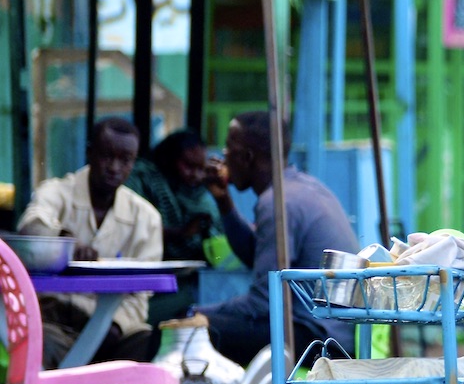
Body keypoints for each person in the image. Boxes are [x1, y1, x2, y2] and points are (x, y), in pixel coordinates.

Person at [195, 111, 359, 366]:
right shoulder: (302, 187)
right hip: (333, 335)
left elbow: (263, 303)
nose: (224, 155)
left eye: (229, 148)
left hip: (317, 341)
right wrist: (224, 202)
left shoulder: (278, 203)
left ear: (247, 157)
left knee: (194, 332)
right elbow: (255, 256)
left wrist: (198, 314)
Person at [15, 117, 163, 365]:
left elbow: (139, 299)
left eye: (125, 160)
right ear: (89, 153)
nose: (115, 167)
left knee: (148, 342)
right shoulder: (57, 191)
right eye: (107, 156)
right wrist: (65, 243)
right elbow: (31, 226)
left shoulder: (146, 218)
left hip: (111, 327)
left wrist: (112, 325)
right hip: (54, 316)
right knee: (44, 344)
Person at [123, 128, 224, 323]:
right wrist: (182, 233)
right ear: (168, 160)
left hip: (191, 277)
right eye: (188, 166)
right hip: (146, 280)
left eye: (200, 168)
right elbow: (134, 229)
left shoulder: (199, 192)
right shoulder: (144, 178)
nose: (195, 175)